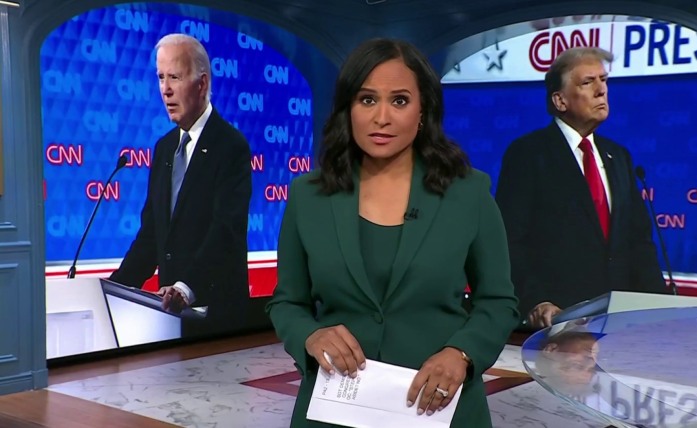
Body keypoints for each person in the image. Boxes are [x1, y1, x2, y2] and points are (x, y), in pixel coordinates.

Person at [266, 38, 520, 427]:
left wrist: (462, 353)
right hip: (336, 406)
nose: (381, 117)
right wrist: (309, 336)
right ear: (348, 108)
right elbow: (287, 302)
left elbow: (499, 302)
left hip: (439, 407)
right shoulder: (308, 195)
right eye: (367, 99)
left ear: (423, 111)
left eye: (399, 100)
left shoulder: (468, 193)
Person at [494, 47, 666, 330]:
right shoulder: (529, 153)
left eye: (604, 80)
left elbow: (639, 243)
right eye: (588, 82)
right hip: (558, 323)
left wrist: (661, 310)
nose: (601, 90)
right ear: (560, 100)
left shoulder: (618, 156)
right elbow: (509, 241)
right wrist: (536, 300)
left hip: (617, 325)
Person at [109, 33, 252, 336]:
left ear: (201, 83)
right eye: (161, 78)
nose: (166, 89)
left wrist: (186, 287)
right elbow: (152, 235)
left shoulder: (231, 146)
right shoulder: (164, 149)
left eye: (174, 77)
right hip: (170, 319)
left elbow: (225, 230)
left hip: (218, 318)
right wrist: (113, 288)